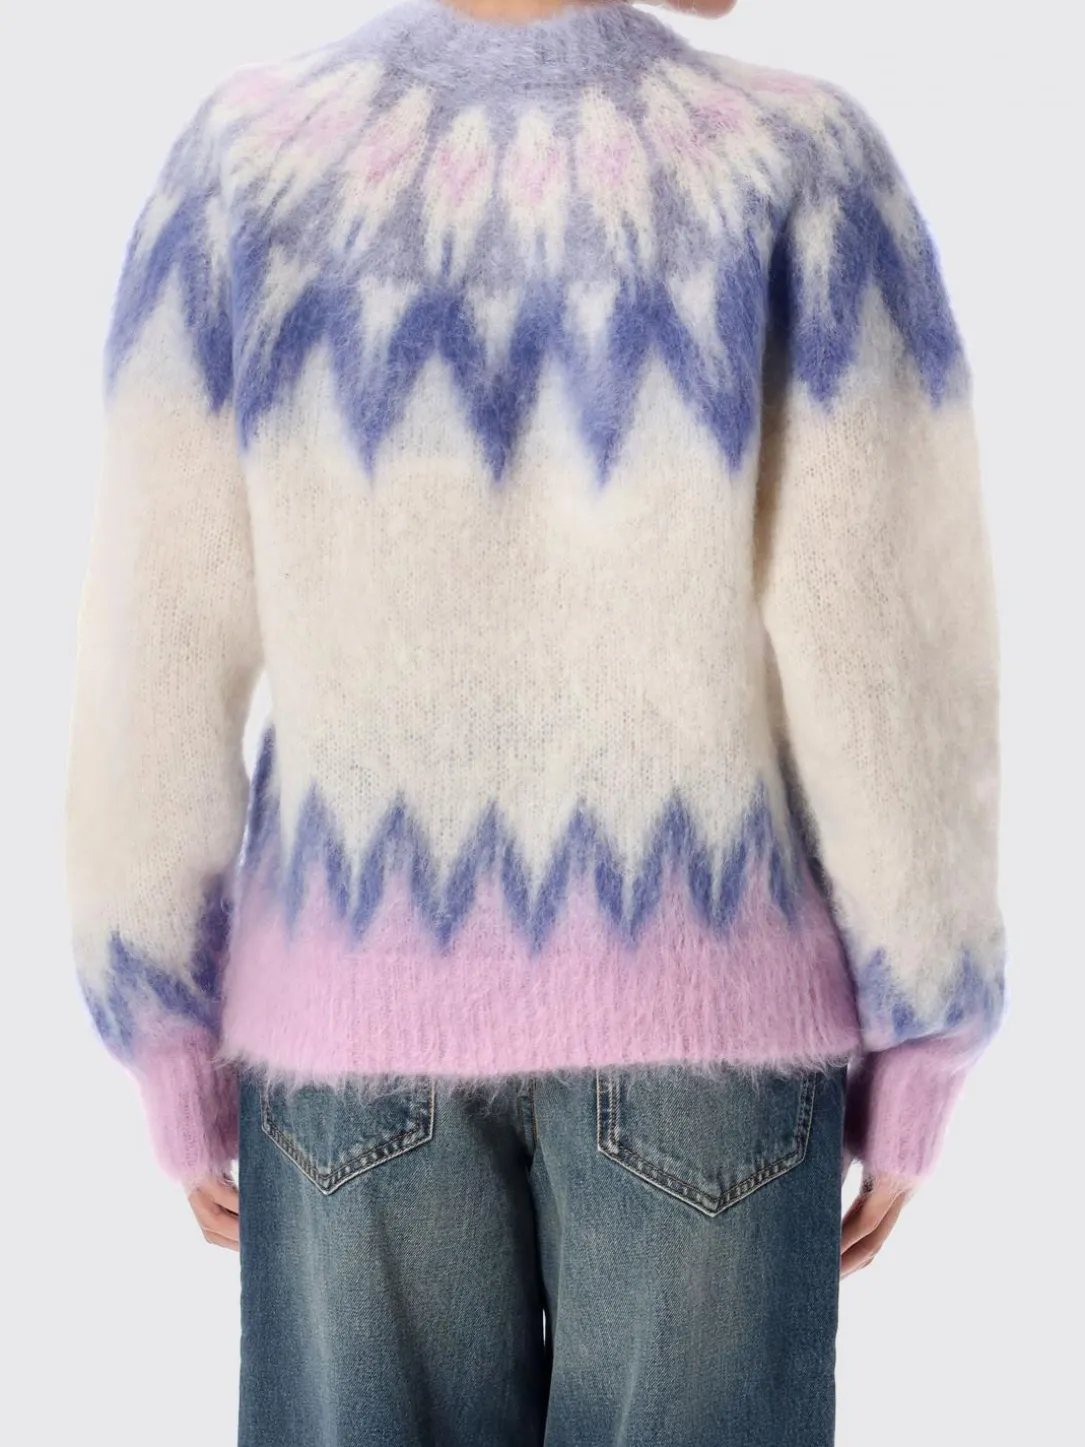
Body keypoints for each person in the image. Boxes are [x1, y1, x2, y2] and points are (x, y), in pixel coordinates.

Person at [64, 0, 1005, 1441]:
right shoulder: (798, 163)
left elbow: (155, 636)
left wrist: (161, 1024)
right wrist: (926, 1020)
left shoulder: (247, 163)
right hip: (711, 1030)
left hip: (346, 1037)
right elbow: (891, 645)